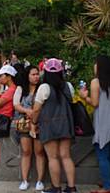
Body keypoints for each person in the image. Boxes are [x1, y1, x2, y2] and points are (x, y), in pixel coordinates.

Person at [79, 54, 110, 193]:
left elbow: (94, 103)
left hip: (103, 124)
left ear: (100, 67)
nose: (94, 66)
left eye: (96, 63)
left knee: (102, 156)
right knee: (109, 155)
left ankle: (107, 188)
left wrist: (84, 96)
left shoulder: (96, 82)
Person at [32, 58, 77, 193]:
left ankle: (56, 188)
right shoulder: (68, 86)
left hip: (49, 125)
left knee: (53, 157)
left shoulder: (44, 88)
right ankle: (71, 188)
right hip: (66, 124)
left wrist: (34, 123)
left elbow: (36, 109)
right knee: (66, 156)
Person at [13, 65, 45, 191]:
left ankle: (40, 180)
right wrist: (27, 110)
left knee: (39, 152)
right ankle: (25, 180)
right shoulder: (21, 89)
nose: (36, 77)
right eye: (33, 74)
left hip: (38, 124)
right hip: (25, 124)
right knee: (26, 151)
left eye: (37, 74)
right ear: (27, 76)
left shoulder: (42, 88)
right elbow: (16, 104)